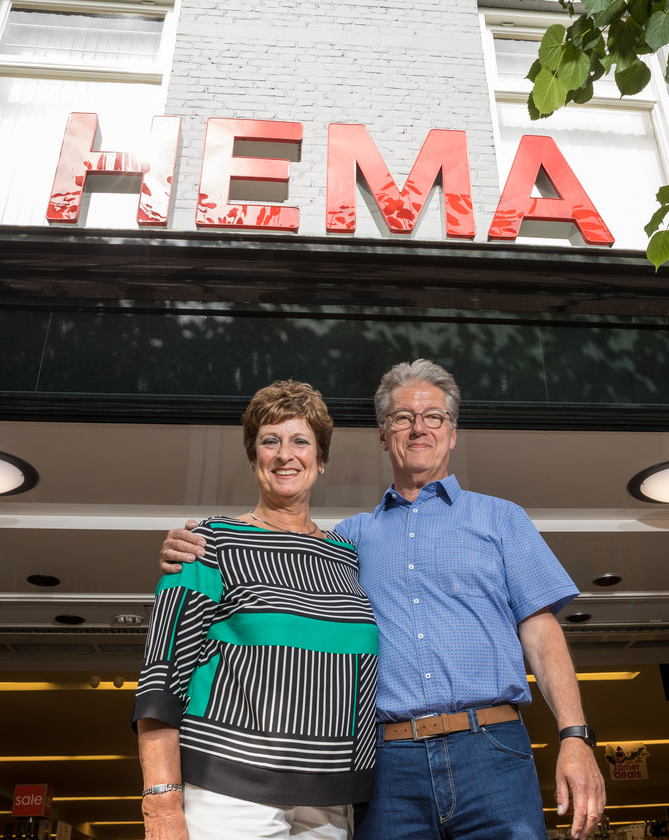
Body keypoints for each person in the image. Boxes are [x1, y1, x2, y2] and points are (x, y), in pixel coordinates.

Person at [161, 360, 606, 839]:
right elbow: (278, 552)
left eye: (433, 416)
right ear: (382, 433)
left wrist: (575, 736)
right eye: (402, 417)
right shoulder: (345, 542)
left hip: (492, 750)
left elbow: (541, 632)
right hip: (387, 765)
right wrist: (194, 543)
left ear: (452, 433)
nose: (418, 427)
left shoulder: (501, 519)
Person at [135, 380, 378, 840]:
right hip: (229, 791)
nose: (285, 454)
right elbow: (161, 678)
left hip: (330, 798)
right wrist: (162, 803)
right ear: (254, 458)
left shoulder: (349, 556)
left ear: (321, 460)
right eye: (270, 440)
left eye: (300, 441)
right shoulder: (209, 542)